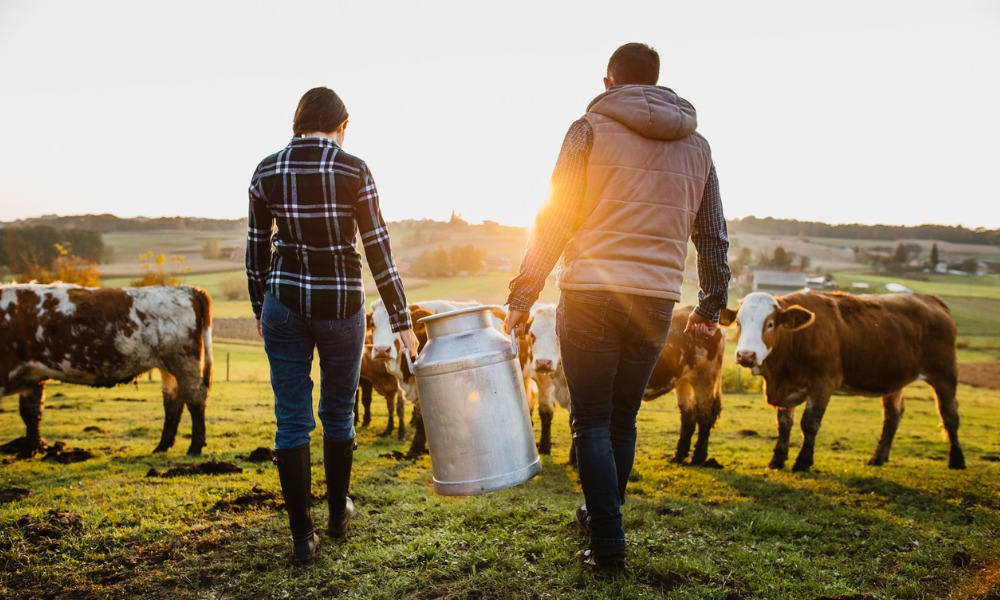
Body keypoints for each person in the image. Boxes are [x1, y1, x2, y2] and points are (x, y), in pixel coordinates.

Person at [504, 43, 731, 579]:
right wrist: (712, 304)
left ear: (609, 82)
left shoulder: (588, 129)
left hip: (591, 295)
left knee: (592, 420)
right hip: (655, 301)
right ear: (656, 84)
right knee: (622, 418)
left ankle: (608, 540)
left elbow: (555, 218)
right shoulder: (697, 146)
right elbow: (712, 234)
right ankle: (599, 513)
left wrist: (522, 296)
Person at [246, 86, 419, 564]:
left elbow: (256, 249)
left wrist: (261, 305)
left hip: (283, 304)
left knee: (291, 417)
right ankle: (338, 515)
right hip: (342, 305)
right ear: (343, 125)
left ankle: (302, 537)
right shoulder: (353, 168)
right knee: (338, 412)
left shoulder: (267, 170)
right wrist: (402, 321)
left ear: (297, 123)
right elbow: (379, 252)